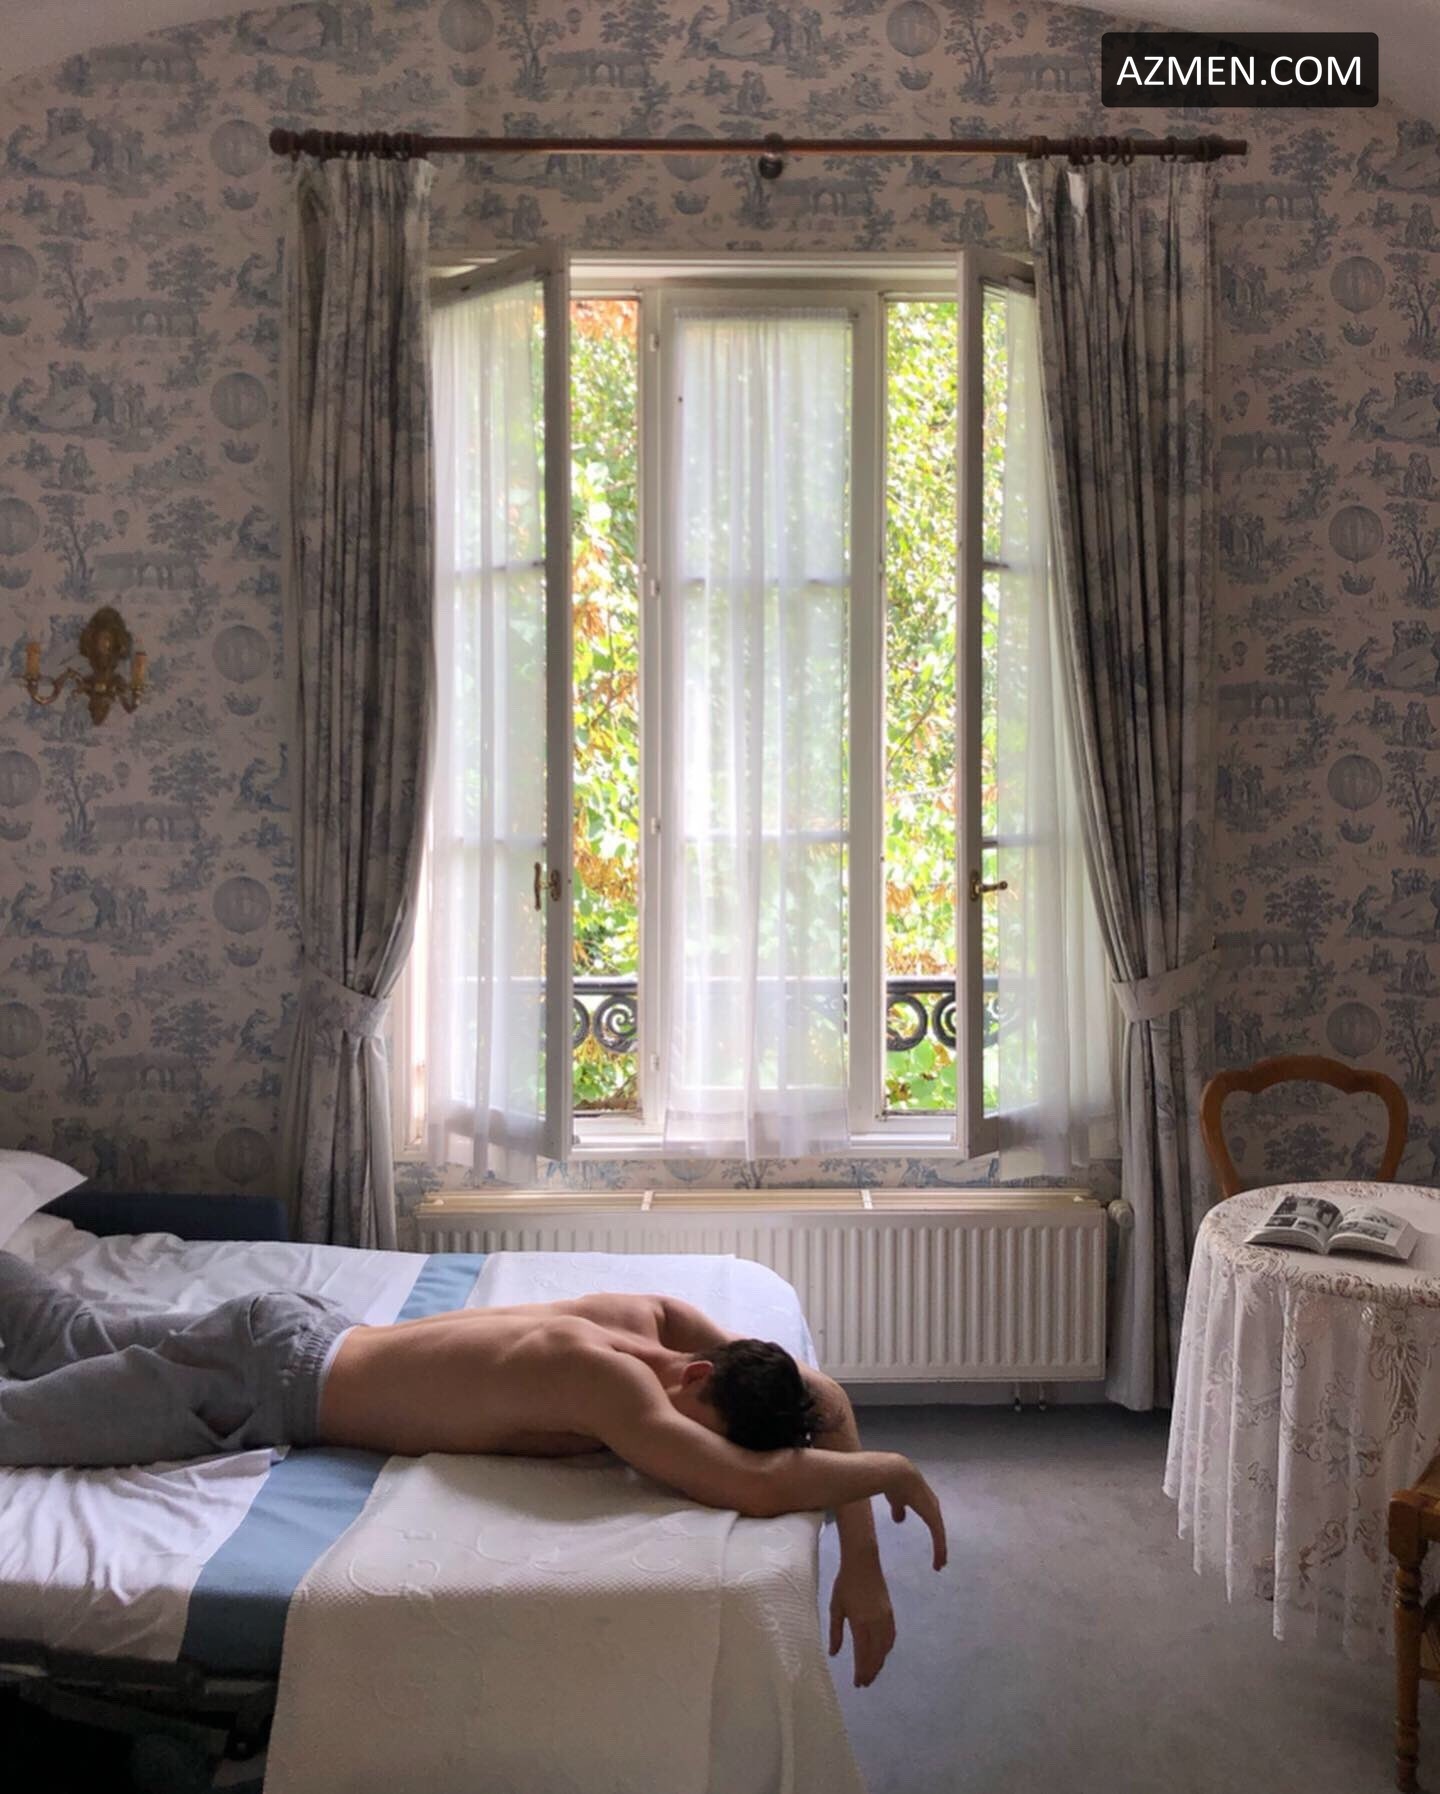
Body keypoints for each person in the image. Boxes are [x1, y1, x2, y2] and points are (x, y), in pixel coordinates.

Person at [0, 1257, 945, 1685]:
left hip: (292, 1331)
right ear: (701, 1377)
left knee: (60, 1334)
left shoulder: (658, 1320)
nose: (676, 1453)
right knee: (20, 1425)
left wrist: (862, 1563)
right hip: (262, 1386)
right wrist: (890, 1470)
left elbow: (823, 1400)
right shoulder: (609, 1382)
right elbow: (757, 1486)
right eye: (703, 1431)